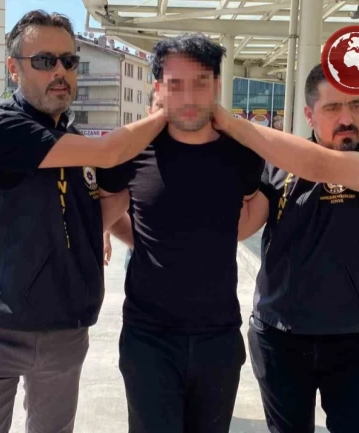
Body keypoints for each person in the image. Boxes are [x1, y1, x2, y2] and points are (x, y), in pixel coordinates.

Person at [0, 10, 166, 433]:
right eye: (44, 61)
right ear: (13, 68)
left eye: (69, 61)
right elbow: (109, 153)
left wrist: (125, 207)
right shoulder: (1, 130)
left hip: (64, 329)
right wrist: (169, 112)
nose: (60, 72)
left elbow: (96, 212)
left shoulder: (74, 144)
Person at [214, 64, 359, 433]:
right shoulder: (279, 166)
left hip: (354, 341)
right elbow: (241, 227)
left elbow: (320, 164)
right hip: (279, 336)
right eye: (332, 108)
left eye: (356, 105)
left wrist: (233, 124)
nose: (347, 119)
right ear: (309, 115)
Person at [99, 34, 264, 433]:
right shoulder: (133, 151)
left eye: (200, 82)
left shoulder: (242, 153)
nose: (188, 97)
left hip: (218, 338)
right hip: (148, 339)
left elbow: (255, 206)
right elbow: (105, 207)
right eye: (175, 84)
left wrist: (218, 238)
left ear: (217, 85)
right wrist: (139, 238)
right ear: (158, 87)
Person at [108, 88, 162, 271]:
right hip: (141, 261)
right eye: (160, 106)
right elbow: (107, 200)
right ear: (149, 110)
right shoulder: (132, 151)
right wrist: (139, 243)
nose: (165, 114)